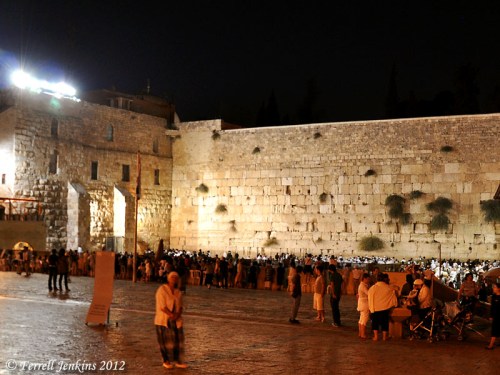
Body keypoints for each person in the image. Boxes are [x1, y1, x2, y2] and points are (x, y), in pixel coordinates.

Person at [154, 271, 188, 369]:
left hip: (176, 320)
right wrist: (171, 315)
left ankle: (178, 360)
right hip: (163, 320)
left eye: (176, 277)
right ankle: (166, 360)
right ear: (168, 278)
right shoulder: (162, 289)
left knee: (178, 341)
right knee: (164, 341)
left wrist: (177, 315)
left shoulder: (178, 292)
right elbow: (162, 305)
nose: (174, 279)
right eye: (172, 277)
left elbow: (181, 306)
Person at [367, 273, 398, 341]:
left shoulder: (373, 288)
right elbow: (393, 295)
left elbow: (370, 298)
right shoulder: (388, 287)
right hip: (385, 308)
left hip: (375, 308)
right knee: (385, 323)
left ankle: (376, 337)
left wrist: (371, 309)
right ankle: (384, 337)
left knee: (375, 323)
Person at [486, 282, 500, 350]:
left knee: (495, 330)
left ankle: (491, 345)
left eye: (495, 287)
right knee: (494, 329)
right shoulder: (494, 296)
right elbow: (492, 307)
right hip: (495, 316)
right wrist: (491, 315)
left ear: (499, 289)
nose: (493, 288)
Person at [357, 273, 371, 339]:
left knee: (361, 319)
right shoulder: (363, 286)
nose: (369, 280)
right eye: (368, 279)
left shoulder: (362, 285)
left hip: (362, 303)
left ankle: (360, 333)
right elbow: (368, 293)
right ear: (364, 279)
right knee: (364, 319)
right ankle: (362, 334)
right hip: (364, 303)